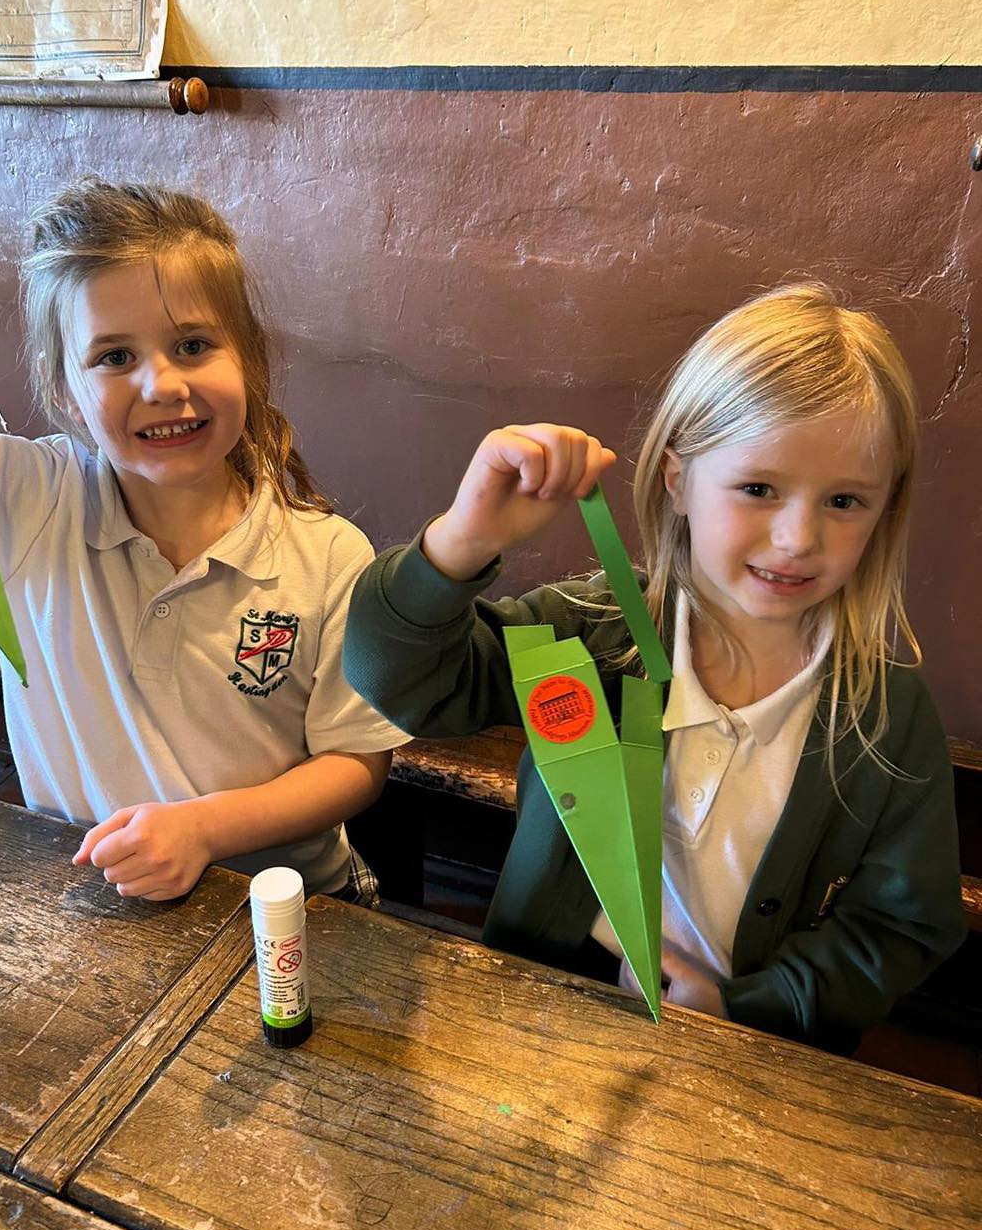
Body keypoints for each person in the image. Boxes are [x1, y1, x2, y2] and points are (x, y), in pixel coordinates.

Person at [344, 283, 966, 1050]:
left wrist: (753, 1004)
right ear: (679, 481)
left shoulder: (886, 712)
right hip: (542, 1008)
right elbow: (402, 681)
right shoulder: (594, 632)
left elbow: (904, 926)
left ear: (885, 507)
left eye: (844, 501)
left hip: (753, 1047)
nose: (798, 538)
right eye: (758, 488)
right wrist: (461, 542)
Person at [0, 179, 407, 902]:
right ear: (64, 388)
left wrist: (203, 829)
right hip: (94, 901)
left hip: (295, 909)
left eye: (192, 345)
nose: (162, 384)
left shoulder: (330, 556)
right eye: (114, 357)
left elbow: (355, 763)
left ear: (249, 357)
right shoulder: (22, 498)